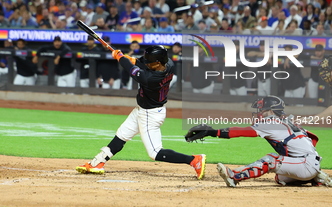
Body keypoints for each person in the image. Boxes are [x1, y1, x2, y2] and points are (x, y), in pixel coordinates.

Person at [76, 45, 206, 180]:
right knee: (121, 135)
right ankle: (97, 163)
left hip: (150, 114)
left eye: (150, 62)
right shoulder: (168, 64)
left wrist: (120, 58)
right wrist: (129, 58)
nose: (147, 63)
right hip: (142, 110)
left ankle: (193, 160)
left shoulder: (151, 78)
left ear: (157, 63)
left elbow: (133, 71)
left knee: (155, 153)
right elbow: (140, 63)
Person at [186, 95, 331, 187]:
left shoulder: (272, 122)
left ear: (272, 111)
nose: (259, 113)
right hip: (307, 162)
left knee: (271, 160)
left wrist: (213, 132)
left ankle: (234, 177)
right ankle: (316, 177)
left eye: (262, 110)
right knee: (280, 177)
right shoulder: (285, 122)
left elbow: (242, 132)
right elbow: (311, 140)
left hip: (305, 164)